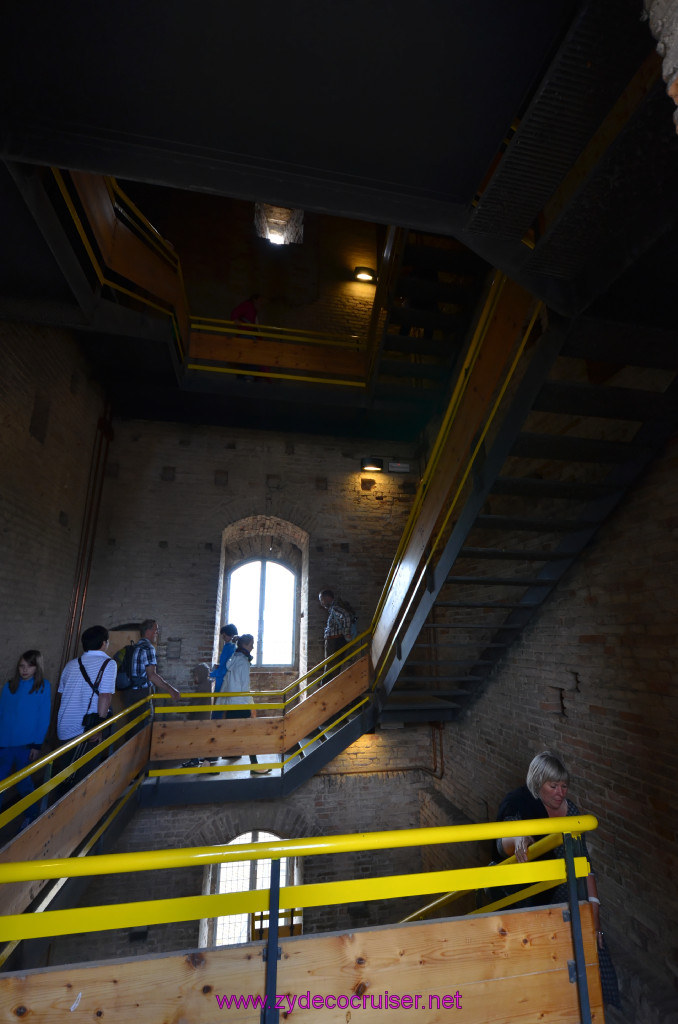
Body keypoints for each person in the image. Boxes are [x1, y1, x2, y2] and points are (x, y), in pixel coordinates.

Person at [496, 750, 619, 1007]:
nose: (560, 793)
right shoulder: (522, 804)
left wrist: (595, 916)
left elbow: (585, 864)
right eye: (553, 786)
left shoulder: (571, 811)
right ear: (537, 783)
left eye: (564, 786)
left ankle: (592, 1003)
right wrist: (519, 837)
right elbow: (503, 841)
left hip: (568, 893)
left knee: (590, 932)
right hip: (531, 896)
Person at [0, 650, 51, 825]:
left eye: (30, 666)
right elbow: (2, 713)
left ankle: (32, 815)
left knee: (23, 783)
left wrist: (37, 745)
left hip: (27, 745)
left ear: (37, 667)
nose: (25, 670)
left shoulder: (43, 687)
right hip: (5, 743)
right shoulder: (9, 686)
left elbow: (43, 718)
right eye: (22, 666)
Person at [56, 625, 117, 745]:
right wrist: (98, 728)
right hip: (86, 730)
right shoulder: (109, 663)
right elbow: (105, 696)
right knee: (88, 763)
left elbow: (61, 694)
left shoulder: (70, 664)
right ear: (104, 643)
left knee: (66, 763)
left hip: (64, 728)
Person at [221, 634, 270, 775]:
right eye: (252, 644)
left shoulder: (235, 658)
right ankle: (254, 765)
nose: (253, 647)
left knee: (225, 732)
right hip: (240, 703)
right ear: (246, 645)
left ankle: (207, 762)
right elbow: (243, 687)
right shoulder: (242, 662)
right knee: (249, 733)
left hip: (232, 702)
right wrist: (249, 705)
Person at [121, 619, 180, 709]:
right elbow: (151, 676)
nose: (157, 633)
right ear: (148, 632)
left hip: (128, 692)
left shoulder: (135, 647)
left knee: (133, 721)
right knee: (144, 721)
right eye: (156, 630)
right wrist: (171, 690)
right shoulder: (148, 648)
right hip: (140, 694)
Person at [318, 589, 353, 681]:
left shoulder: (335, 608)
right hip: (334, 641)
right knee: (331, 666)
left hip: (335, 641)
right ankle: (327, 683)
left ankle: (327, 684)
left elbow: (346, 616)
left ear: (328, 598)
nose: (321, 602)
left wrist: (347, 633)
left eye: (322, 599)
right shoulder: (333, 609)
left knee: (331, 666)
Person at [211, 623, 238, 720]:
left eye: (224, 635)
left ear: (230, 635)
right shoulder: (229, 647)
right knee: (219, 706)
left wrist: (211, 674)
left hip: (223, 680)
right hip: (222, 678)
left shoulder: (230, 648)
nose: (223, 637)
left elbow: (226, 668)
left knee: (219, 707)